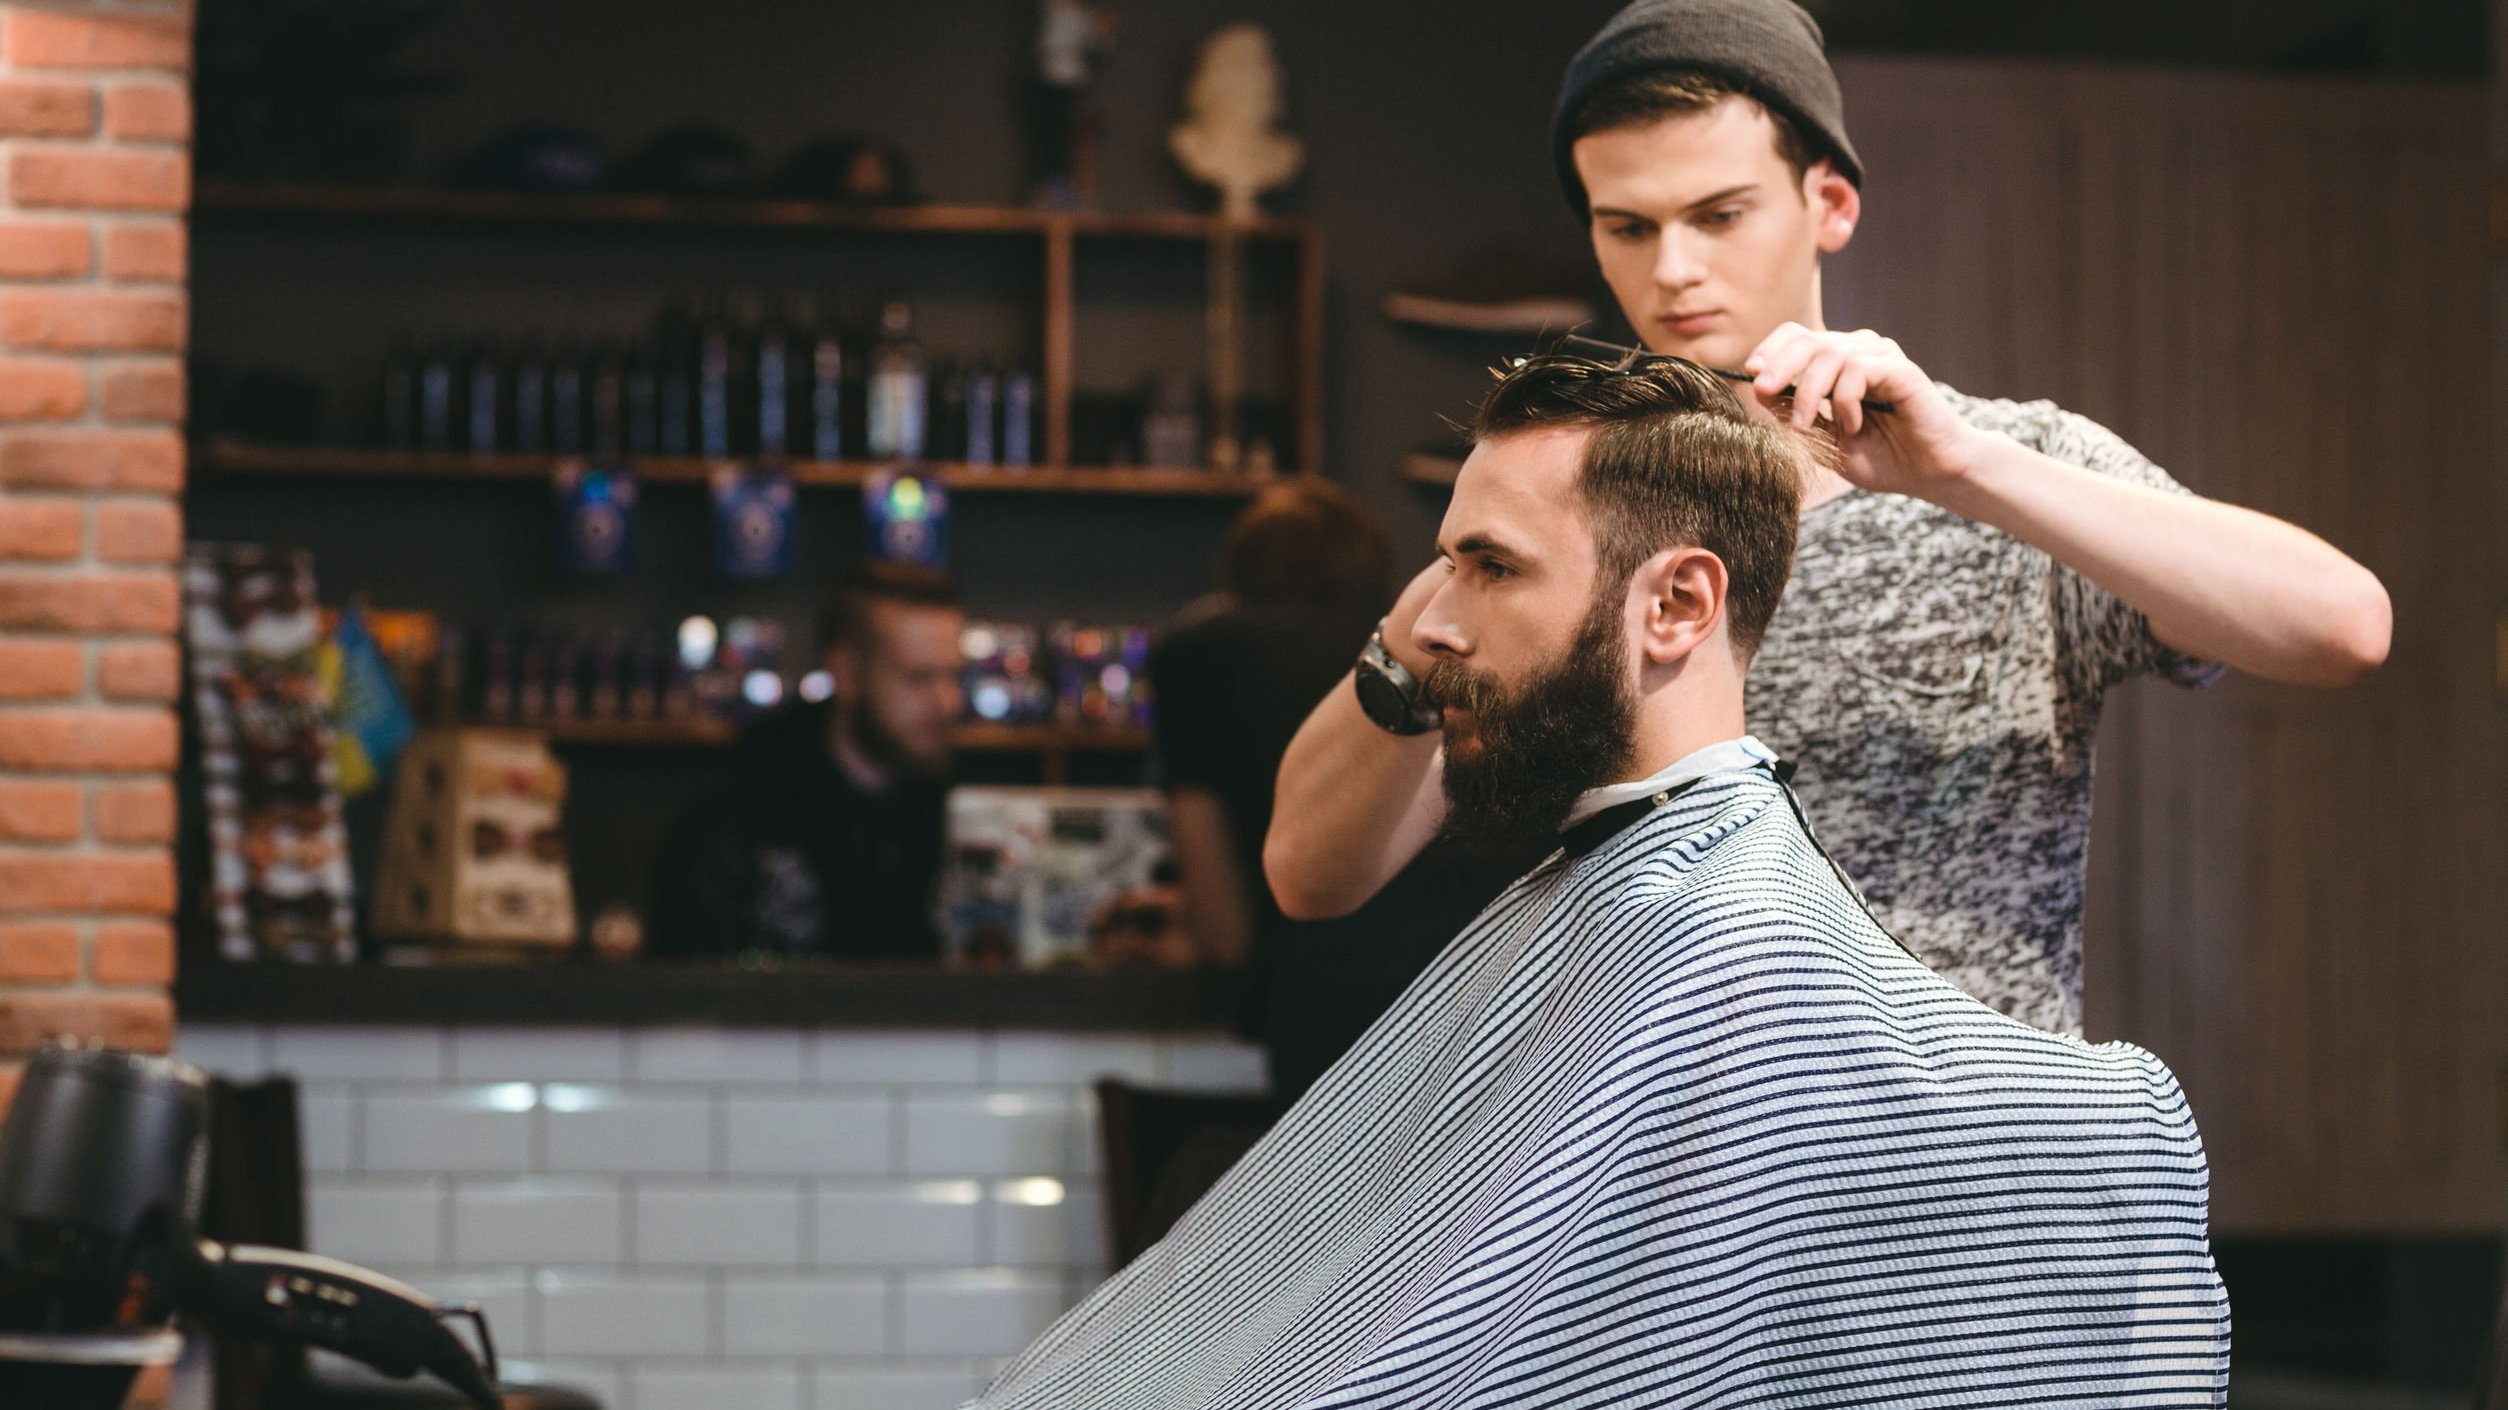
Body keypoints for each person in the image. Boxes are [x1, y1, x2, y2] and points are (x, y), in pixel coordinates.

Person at [970, 354, 2229, 1410]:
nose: (1429, 632)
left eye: (1492, 569)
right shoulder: (1607, 895)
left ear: (1677, 604)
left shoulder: (1723, 953)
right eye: (1443, 566)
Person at [1266, 0, 2391, 1035]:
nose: (1674, 270)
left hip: (1956, 1174)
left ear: (1830, 203)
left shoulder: (2010, 472)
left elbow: (2343, 628)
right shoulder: (1564, 515)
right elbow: (1311, 874)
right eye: (1628, 226)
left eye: (1719, 214)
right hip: (1683, 1178)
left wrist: (1961, 471)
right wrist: (1471, 581)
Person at [1152, 480, 1535, 1103]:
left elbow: (1224, 931)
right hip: (1489, 1003)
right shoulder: (1432, 641)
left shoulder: (1197, 654)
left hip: (1323, 1004)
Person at [648, 563, 964, 960]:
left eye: (954, 676)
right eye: (919, 678)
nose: (948, 702)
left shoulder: (965, 813)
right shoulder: (739, 810)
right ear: (846, 672)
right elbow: (684, 990)